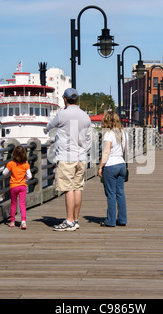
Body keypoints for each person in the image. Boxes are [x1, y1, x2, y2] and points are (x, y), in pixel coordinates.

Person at [46, 88, 92, 231]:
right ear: (76, 99)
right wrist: (84, 151)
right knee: (78, 188)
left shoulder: (62, 115)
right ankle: (76, 219)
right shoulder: (85, 116)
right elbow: (89, 139)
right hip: (81, 157)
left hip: (66, 157)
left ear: (65, 99)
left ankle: (69, 221)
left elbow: (49, 127)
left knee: (68, 189)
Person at [97, 110, 128, 227]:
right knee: (120, 193)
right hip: (121, 164)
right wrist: (123, 163)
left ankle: (110, 221)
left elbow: (106, 152)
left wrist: (100, 167)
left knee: (111, 193)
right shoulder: (123, 133)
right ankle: (122, 219)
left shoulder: (109, 134)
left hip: (111, 165)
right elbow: (125, 150)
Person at [3, 145, 32, 229]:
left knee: (13, 203)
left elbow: (4, 173)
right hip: (22, 186)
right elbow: (29, 176)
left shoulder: (11, 164)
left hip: (13, 186)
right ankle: (23, 222)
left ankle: (12, 221)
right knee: (22, 204)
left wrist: (10, 173)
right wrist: (25, 177)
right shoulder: (26, 164)